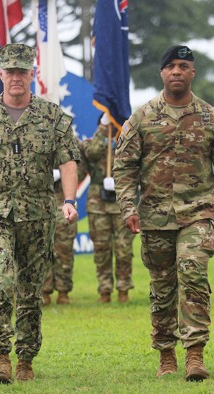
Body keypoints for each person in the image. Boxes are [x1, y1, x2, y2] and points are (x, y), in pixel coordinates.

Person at [112, 45, 214, 382]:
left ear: (192, 73)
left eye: (184, 66)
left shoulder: (212, 118)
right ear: (162, 73)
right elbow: (123, 167)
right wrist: (128, 207)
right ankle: (166, 353)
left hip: (198, 213)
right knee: (163, 287)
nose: (177, 72)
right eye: (170, 66)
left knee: (192, 271)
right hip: (154, 217)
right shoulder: (141, 118)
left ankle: (195, 354)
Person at [0, 43, 80, 385]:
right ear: (0, 74)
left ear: (32, 74)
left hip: (38, 213)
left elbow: (69, 160)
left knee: (30, 290)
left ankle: (25, 357)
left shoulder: (51, 116)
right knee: (1, 278)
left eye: (22, 71)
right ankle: (0, 356)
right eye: (10, 71)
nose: (16, 78)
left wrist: (69, 200)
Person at [83, 116, 135, 303]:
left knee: (123, 249)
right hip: (98, 204)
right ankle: (104, 290)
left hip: (123, 203)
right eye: (108, 124)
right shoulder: (92, 142)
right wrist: (104, 129)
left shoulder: (128, 143)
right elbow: (92, 153)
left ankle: (123, 289)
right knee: (102, 249)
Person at [42, 138, 87, 305]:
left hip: (63, 202)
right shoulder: (35, 135)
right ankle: (44, 292)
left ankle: (63, 291)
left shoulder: (69, 140)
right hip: (40, 202)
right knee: (41, 249)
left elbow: (79, 169)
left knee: (64, 250)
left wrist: (62, 175)